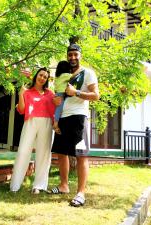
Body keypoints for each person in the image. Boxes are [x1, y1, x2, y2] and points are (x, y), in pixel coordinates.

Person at [50, 44, 100, 207]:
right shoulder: (63, 75)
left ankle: (80, 193)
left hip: (79, 118)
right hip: (63, 118)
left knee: (81, 155)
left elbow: (96, 95)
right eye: (70, 55)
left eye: (75, 54)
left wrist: (76, 92)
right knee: (62, 153)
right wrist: (56, 102)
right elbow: (58, 97)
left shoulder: (88, 73)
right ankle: (64, 186)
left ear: (80, 55)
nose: (72, 57)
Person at [10, 67, 55, 194]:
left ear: (47, 80)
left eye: (45, 77)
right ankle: (15, 185)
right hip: (30, 121)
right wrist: (20, 94)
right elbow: (22, 110)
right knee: (23, 151)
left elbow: (54, 110)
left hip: (46, 123)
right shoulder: (27, 92)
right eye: (41, 75)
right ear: (36, 76)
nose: (42, 78)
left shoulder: (50, 93)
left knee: (44, 154)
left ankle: (39, 186)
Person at [53, 61, 72, 134]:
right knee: (59, 109)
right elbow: (73, 76)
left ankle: (56, 123)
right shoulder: (65, 75)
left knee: (59, 109)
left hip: (57, 93)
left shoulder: (57, 77)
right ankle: (55, 124)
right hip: (61, 94)